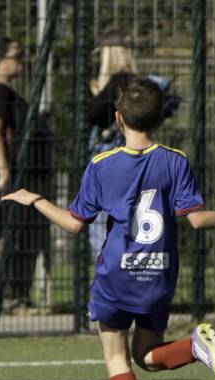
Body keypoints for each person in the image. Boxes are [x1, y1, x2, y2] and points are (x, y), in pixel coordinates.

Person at [3, 76, 215, 380]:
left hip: (116, 277)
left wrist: (35, 199)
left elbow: (75, 224)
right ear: (161, 119)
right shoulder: (175, 160)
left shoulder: (102, 165)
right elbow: (197, 220)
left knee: (117, 359)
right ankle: (193, 347)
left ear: (117, 119)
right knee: (146, 355)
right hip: (159, 276)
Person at [0, 36, 52, 313]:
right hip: (12, 180)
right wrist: (3, 173)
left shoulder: (9, 92)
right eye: (17, 56)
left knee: (27, 239)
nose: (22, 60)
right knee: (11, 238)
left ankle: (20, 297)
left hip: (29, 179)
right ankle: (7, 298)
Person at [87, 29, 138, 258]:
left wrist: (95, 94)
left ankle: (107, 265)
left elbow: (91, 113)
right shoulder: (135, 82)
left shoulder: (118, 80)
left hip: (110, 159)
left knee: (102, 217)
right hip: (131, 159)